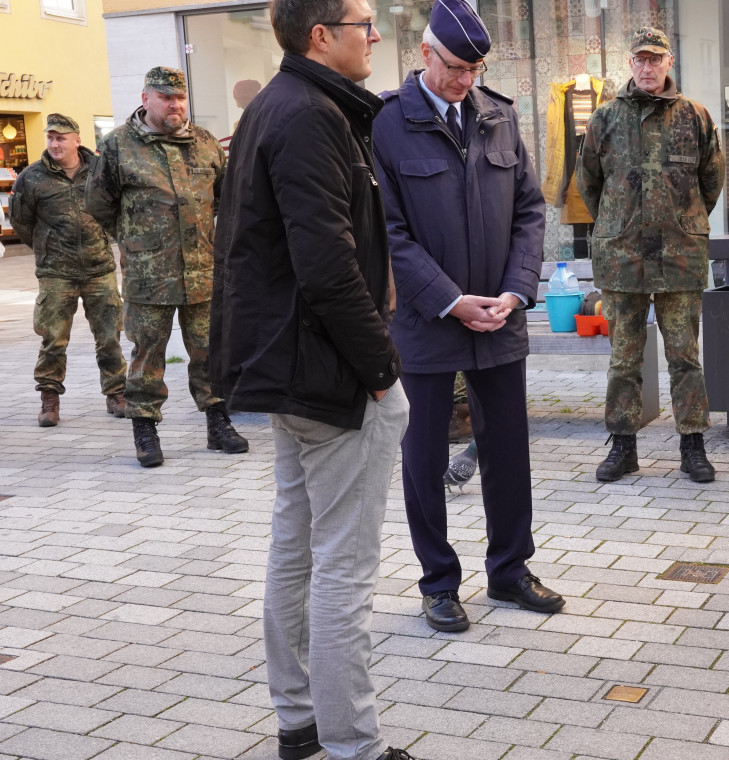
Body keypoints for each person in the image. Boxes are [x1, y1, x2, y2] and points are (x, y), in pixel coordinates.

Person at [211, 1, 417, 758]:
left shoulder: (285, 104)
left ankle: (300, 723)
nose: (374, 34)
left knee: (296, 546)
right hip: (328, 377)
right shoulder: (307, 115)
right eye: (364, 20)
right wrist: (381, 371)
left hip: (296, 368)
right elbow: (326, 264)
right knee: (343, 568)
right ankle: (351, 745)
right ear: (321, 35)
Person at [372, 0, 562, 634]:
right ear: (425, 54)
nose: (464, 80)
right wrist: (451, 300)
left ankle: (510, 570)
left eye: (475, 67)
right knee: (423, 457)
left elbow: (529, 213)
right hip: (428, 322)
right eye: (455, 66)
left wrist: (514, 293)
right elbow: (387, 232)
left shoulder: (499, 116)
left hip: (500, 317)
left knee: (507, 450)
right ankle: (438, 582)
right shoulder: (387, 125)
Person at [576, 27, 725, 484]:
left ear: (668, 63)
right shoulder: (604, 118)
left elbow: (711, 181)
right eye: (639, 60)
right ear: (629, 64)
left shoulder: (695, 116)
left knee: (685, 357)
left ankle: (693, 445)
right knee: (624, 358)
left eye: (654, 60)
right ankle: (623, 446)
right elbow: (588, 183)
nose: (647, 68)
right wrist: (619, 224)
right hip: (622, 258)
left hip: (679, 257)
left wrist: (682, 222)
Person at [86, 66, 246, 468]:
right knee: (147, 353)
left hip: (201, 270)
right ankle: (144, 427)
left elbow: (226, 200)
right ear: (145, 99)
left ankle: (217, 422)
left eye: (180, 98)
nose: (175, 105)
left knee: (210, 350)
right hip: (148, 274)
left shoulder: (206, 144)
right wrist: (134, 240)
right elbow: (98, 204)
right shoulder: (117, 146)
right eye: (165, 98)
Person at [9, 113, 127, 427]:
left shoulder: (100, 172)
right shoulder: (32, 177)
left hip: (99, 267)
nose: (55, 143)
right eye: (50, 137)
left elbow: (116, 210)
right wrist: (48, 247)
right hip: (55, 272)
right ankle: (49, 401)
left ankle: (116, 394)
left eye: (61, 137)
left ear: (77, 140)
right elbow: (21, 222)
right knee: (53, 339)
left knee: (110, 336)